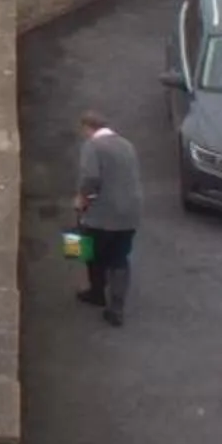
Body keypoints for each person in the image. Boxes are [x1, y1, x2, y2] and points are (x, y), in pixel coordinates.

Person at [74, 110, 143, 326]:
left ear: (87, 127)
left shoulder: (92, 146)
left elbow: (91, 177)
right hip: (130, 212)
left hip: (102, 213)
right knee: (119, 258)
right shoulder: (126, 144)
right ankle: (117, 308)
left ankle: (96, 293)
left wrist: (82, 199)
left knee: (89, 250)